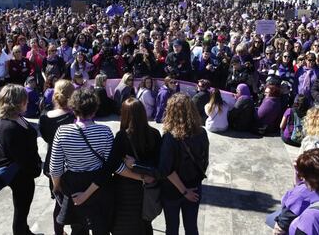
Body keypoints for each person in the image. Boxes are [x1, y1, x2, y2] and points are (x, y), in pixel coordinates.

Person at [50, 88, 133, 235]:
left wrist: (57, 187)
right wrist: (141, 176)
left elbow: (55, 168)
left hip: (74, 184)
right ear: (94, 110)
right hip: (100, 186)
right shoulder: (104, 131)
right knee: (101, 228)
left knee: (78, 228)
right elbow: (112, 166)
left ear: (73, 108)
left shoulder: (62, 131)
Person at [0, 84, 42, 235]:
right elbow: (21, 159)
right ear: (18, 103)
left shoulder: (15, 117)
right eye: (25, 100)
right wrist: (35, 170)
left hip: (24, 173)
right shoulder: (10, 127)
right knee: (21, 210)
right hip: (21, 176)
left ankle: (25, 230)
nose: (28, 102)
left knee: (23, 209)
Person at [159, 93, 209, 235]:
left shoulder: (170, 137)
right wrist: (189, 189)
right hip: (194, 188)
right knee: (192, 228)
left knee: (172, 229)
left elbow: (166, 170)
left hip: (173, 191)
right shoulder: (202, 133)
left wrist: (184, 191)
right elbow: (204, 161)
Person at [111, 98, 161, 235]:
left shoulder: (122, 136)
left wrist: (135, 165)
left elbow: (114, 165)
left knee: (125, 225)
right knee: (145, 222)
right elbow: (160, 165)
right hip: (148, 189)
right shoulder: (155, 134)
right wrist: (145, 175)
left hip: (125, 190)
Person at [39, 80, 75, 235]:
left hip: (53, 163)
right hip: (73, 163)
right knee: (76, 201)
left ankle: (58, 233)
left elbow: (47, 139)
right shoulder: (75, 115)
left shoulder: (44, 117)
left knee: (59, 203)